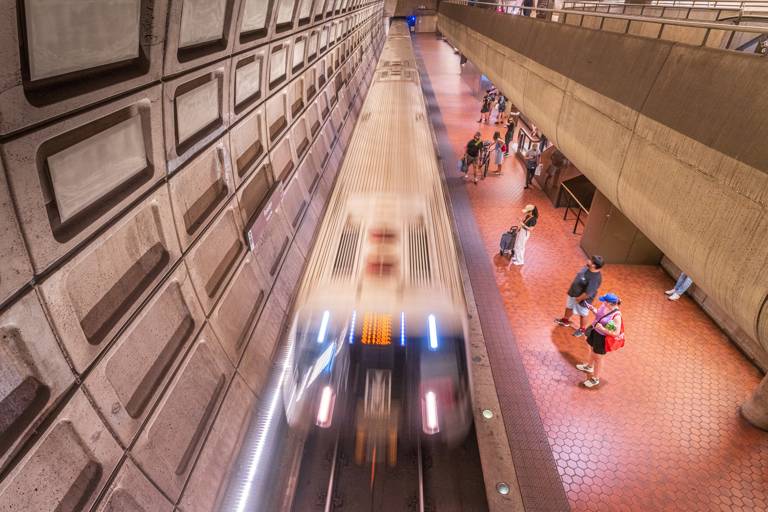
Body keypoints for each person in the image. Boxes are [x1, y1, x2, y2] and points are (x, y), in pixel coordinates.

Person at [576, 293, 624, 388]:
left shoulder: (616, 316)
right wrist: (593, 309)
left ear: (610, 303)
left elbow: (616, 333)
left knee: (598, 358)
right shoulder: (604, 305)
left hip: (602, 337)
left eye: (605, 301)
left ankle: (595, 379)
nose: (603, 302)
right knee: (592, 350)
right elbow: (599, 314)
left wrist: (602, 329)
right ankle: (589, 367)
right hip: (595, 332)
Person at [555, 255, 604, 336]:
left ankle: (582, 329)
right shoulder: (587, 268)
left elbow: (589, 293)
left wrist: (579, 299)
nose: (588, 260)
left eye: (590, 260)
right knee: (569, 307)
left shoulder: (595, 278)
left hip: (582, 299)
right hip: (573, 293)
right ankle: (565, 320)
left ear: (594, 265)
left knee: (583, 314)